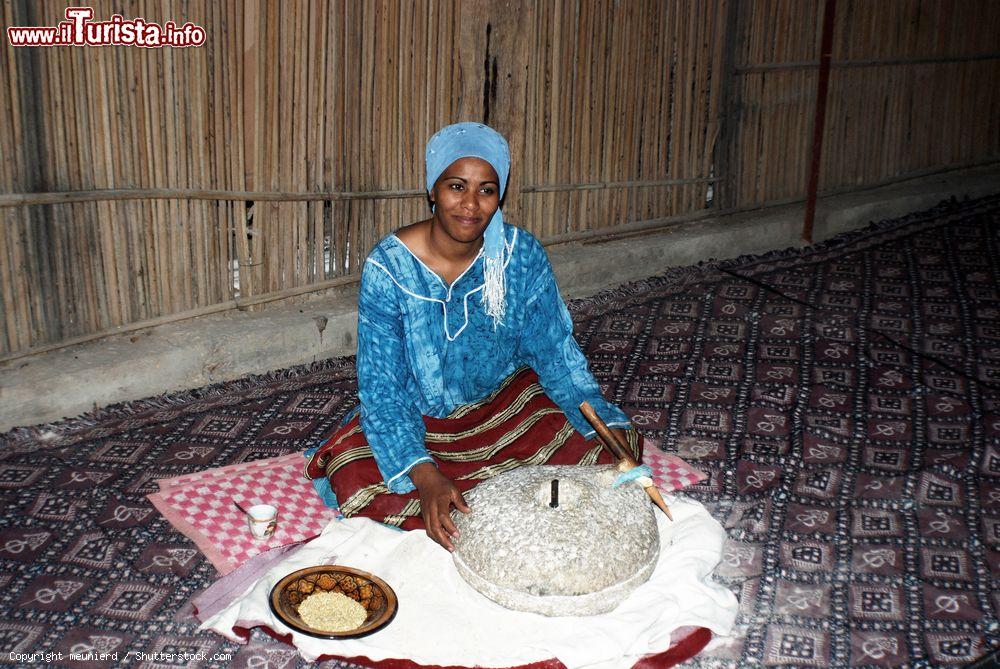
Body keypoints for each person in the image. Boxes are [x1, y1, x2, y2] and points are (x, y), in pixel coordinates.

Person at [306, 122, 641, 550]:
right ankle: (468, 487)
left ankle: (501, 489)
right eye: (456, 186)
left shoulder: (520, 256)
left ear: (499, 196)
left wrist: (601, 426)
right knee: (356, 468)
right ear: (432, 189)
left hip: (504, 410)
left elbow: (554, 353)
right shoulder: (389, 266)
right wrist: (425, 475)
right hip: (419, 420)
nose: (470, 204)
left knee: (607, 451)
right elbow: (382, 387)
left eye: (486, 190)